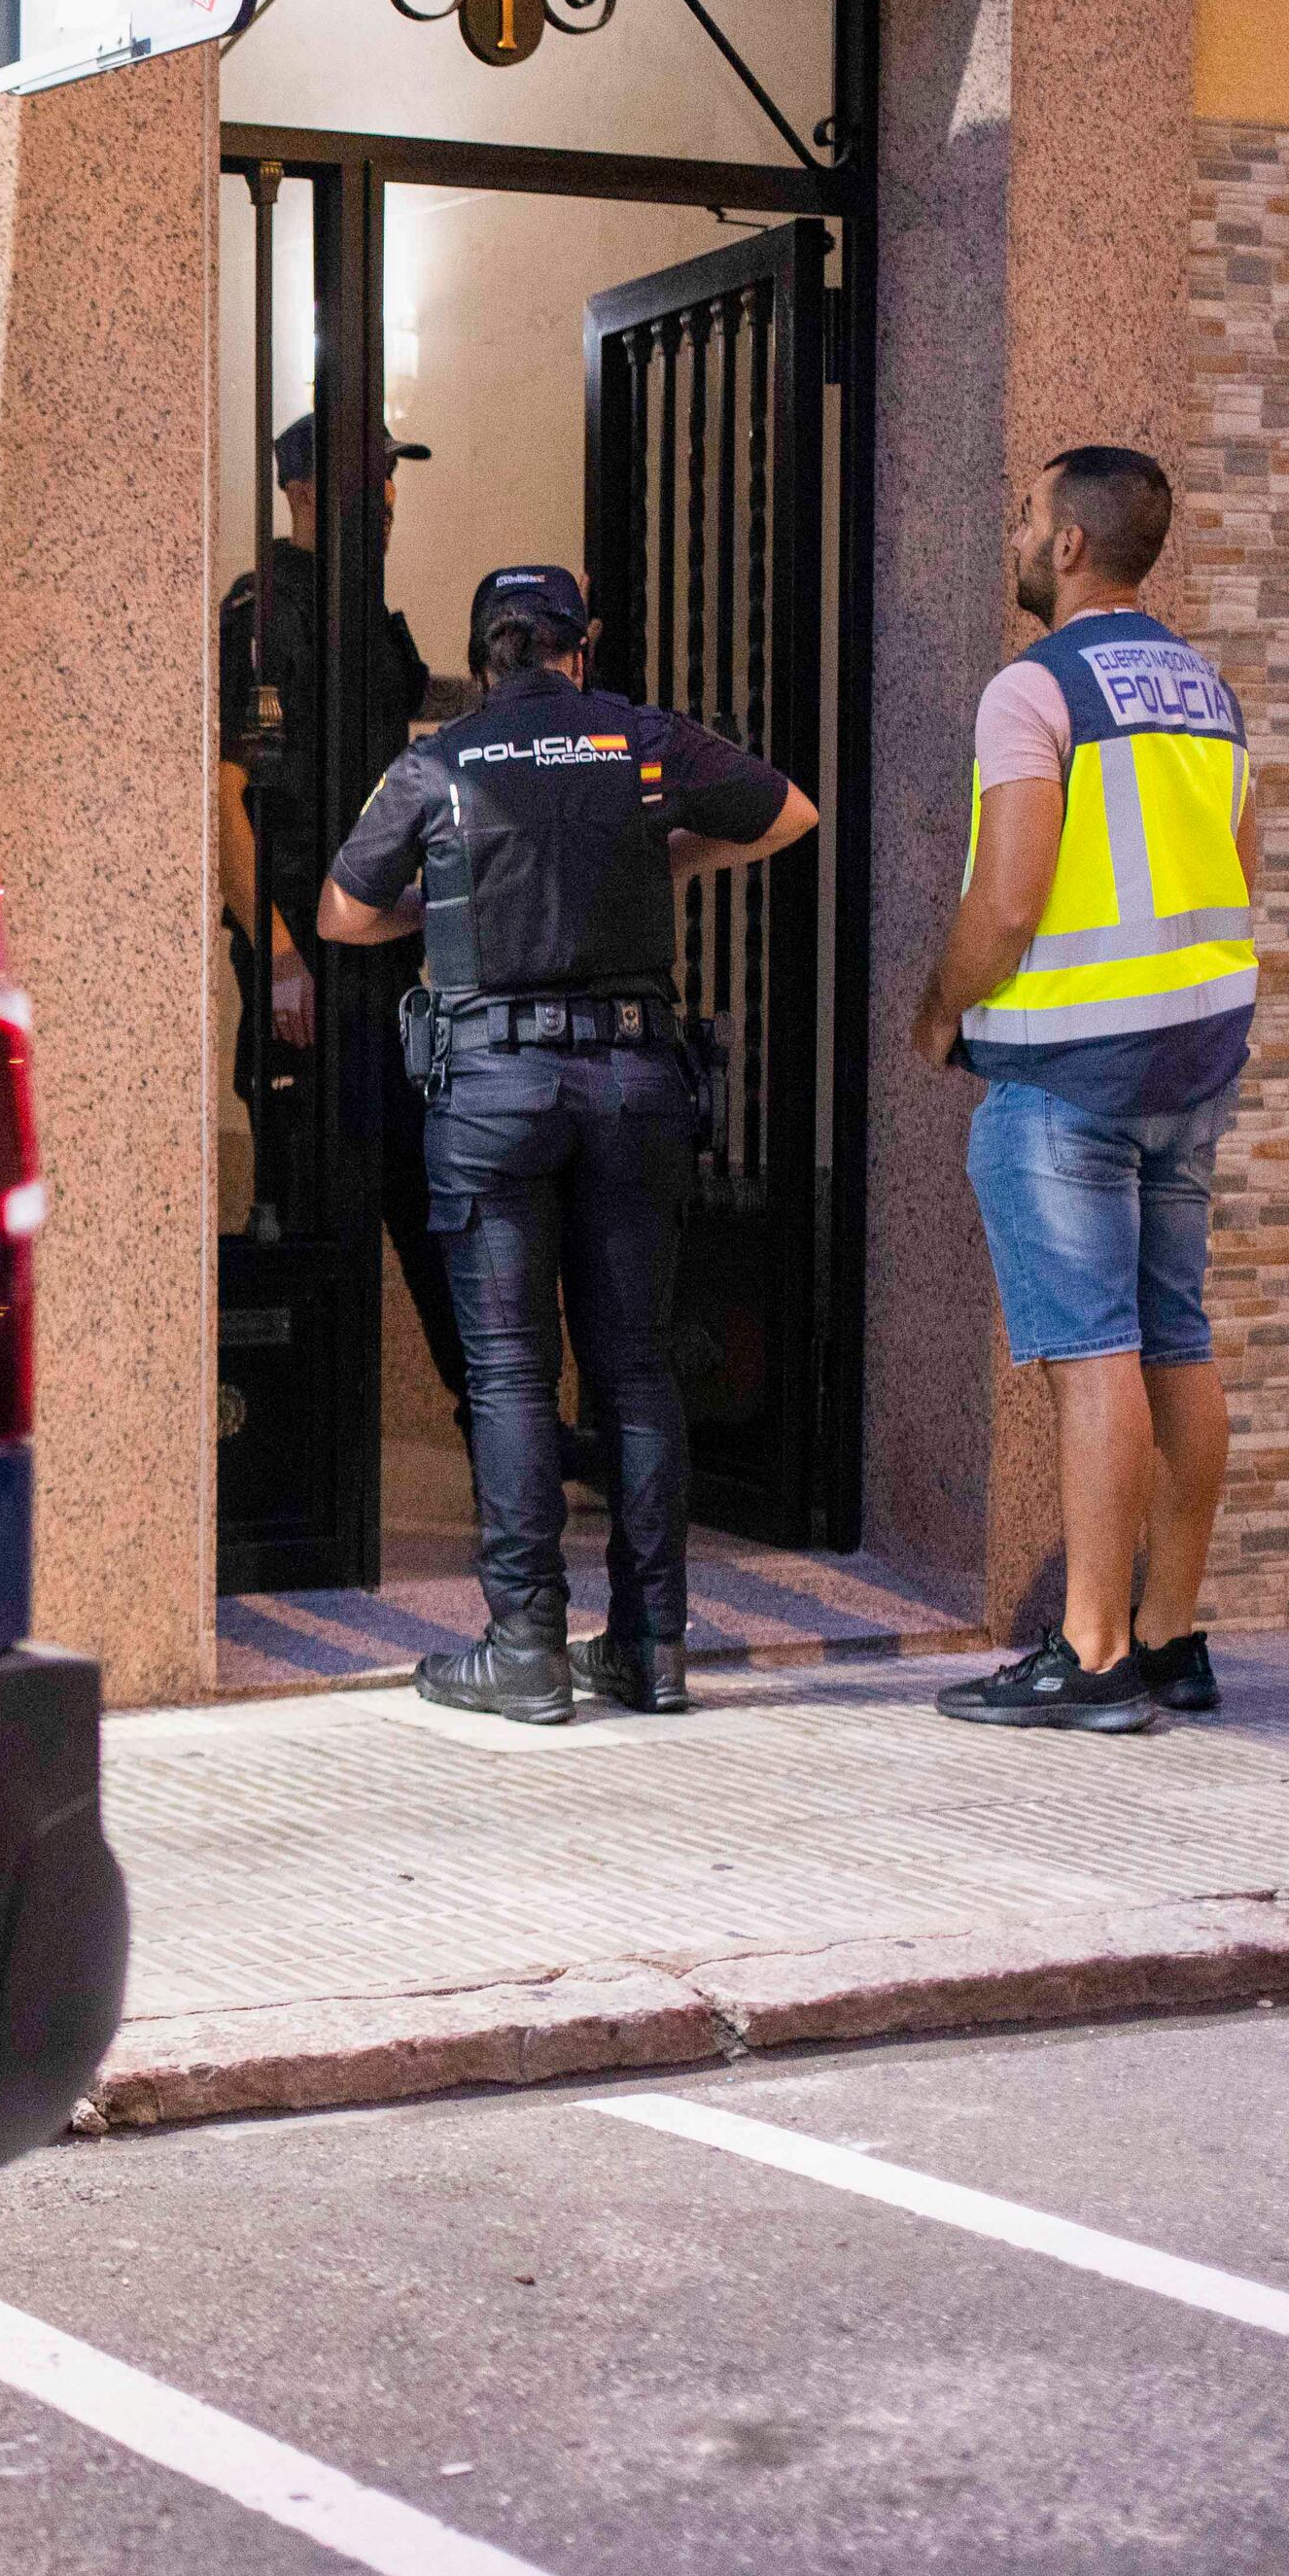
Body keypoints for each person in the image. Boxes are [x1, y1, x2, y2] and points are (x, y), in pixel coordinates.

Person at [315, 564, 817, 1723]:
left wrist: (452, 905)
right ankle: (648, 1648)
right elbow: (789, 813)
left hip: (493, 1083)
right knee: (634, 1366)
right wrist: (666, 859)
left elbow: (342, 911)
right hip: (637, 1079)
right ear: (576, 648)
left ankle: (525, 1648)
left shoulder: (439, 759)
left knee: (508, 1373)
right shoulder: (639, 745)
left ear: (486, 655)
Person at [907, 445, 1260, 1734]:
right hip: (1194, 1060)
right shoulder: (1209, 693)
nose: (1013, 531)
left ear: (1069, 546)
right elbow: (1237, 863)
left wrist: (943, 1007)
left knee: (1092, 1351)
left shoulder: (1034, 688)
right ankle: (1172, 1635)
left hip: (1068, 1070)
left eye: (1023, 512)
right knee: (1176, 1334)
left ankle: (1094, 1654)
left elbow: (1010, 891)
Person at [218, 418, 461, 1401]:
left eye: (393, 483)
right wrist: (276, 954)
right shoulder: (265, 611)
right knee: (304, 1220)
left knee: (423, 1196)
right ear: (303, 492)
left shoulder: (361, 616)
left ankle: (492, 1433)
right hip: (301, 983)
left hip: (380, 973)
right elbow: (219, 798)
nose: (390, 501)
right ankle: (286, 1464)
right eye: (372, 481)